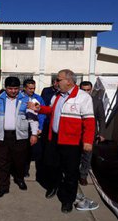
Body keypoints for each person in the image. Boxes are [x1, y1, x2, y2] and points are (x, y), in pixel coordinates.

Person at [28, 69, 96, 213]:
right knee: (52, 166)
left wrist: (88, 141)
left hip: (71, 143)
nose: (56, 82)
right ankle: (54, 187)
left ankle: (68, 200)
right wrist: (39, 108)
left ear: (69, 81)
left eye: (59, 79)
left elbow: (89, 122)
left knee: (71, 173)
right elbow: (52, 110)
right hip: (54, 139)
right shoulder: (57, 96)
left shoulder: (83, 97)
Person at [0, 77, 39, 198]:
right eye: (10, 88)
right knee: (2, 163)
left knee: (19, 161)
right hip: (1, 136)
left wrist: (34, 134)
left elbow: (33, 119)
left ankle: (19, 179)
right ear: (5, 88)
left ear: (20, 88)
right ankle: (3, 187)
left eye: (16, 88)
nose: (13, 91)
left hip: (20, 136)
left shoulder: (28, 100)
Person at [79, 81, 106, 186]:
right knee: (75, 155)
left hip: (91, 134)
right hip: (76, 133)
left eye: (88, 90)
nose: (86, 92)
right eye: (83, 90)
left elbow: (101, 119)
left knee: (87, 155)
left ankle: (83, 175)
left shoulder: (97, 102)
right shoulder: (75, 101)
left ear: (91, 90)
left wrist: (102, 133)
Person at [21, 79, 46, 178]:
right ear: (24, 88)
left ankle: (26, 170)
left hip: (33, 128)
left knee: (30, 150)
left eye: (34, 88)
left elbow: (42, 113)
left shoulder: (38, 99)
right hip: (21, 127)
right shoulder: (20, 98)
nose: (32, 90)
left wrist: (40, 127)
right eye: (30, 88)